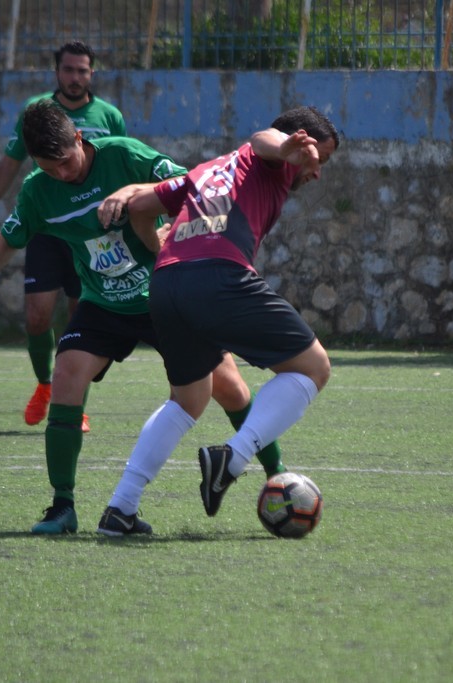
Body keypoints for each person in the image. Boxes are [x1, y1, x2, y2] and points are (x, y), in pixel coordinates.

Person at [0, 101, 285, 535]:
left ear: (79, 138)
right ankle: (62, 507)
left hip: (162, 294)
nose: (61, 174)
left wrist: (151, 210)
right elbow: (10, 236)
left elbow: (193, 185)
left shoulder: (124, 155)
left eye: (66, 162)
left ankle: (278, 478)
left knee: (230, 387)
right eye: (49, 168)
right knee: (67, 373)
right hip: (103, 303)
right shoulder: (38, 191)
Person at [95, 106, 339, 535]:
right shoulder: (273, 156)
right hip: (219, 277)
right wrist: (287, 148)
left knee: (188, 399)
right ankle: (233, 457)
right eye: (320, 156)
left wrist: (158, 248)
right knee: (314, 367)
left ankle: (120, 508)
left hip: (166, 285)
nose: (317, 170)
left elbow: (141, 207)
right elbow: (262, 139)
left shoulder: (207, 170)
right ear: (297, 139)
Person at [0, 40, 126, 432]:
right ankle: (45, 384)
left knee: (81, 318)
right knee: (37, 315)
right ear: (57, 72)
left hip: (91, 237)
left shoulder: (109, 116)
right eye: (68, 70)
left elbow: (120, 167)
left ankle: (75, 404)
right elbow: (11, 161)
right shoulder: (38, 112)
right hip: (49, 228)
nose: (75, 77)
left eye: (82, 70)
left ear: (92, 73)